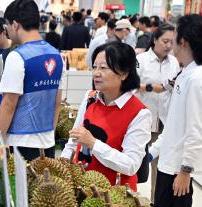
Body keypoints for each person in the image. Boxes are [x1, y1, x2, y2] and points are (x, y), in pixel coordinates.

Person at [149, 14, 202, 207]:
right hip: (169, 161)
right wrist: (152, 152)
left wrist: (186, 170)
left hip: (178, 168)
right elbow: (176, 123)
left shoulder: (198, 78)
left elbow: (197, 129)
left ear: (184, 41)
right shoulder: (186, 73)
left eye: (175, 37)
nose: (172, 42)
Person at [61, 42, 151, 191]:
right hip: (81, 186)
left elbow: (130, 165)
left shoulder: (139, 113)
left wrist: (93, 143)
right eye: (94, 67)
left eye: (103, 68)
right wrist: (63, 167)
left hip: (114, 196)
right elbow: (73, 141)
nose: (96, 73)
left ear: (123, 73)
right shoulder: (90, 98)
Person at [0, 0, 64, 161]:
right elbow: (57, 101)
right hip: (47, 143)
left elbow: (8, 103)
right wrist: (49, 135)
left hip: (20, 143)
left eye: (7, 26)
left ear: (15, 25)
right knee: (43, 186)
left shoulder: (17, 56)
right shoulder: (57, 55)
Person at [136, 24, 179, 200]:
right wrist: (150, 87)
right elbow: (128, 85)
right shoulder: (142, 60)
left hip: (165, 121)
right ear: (154, 40)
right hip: (144, 120)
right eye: (165, 41)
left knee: (160, 166)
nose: (169, 46)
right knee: (137, 162)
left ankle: (156, 203)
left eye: (172, 42)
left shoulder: (174, 62)